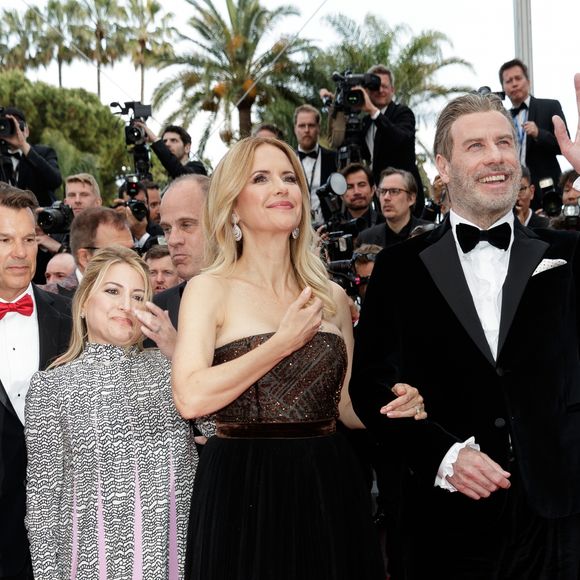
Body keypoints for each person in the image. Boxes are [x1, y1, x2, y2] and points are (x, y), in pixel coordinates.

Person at [351, 75, 580, 579]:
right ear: (444, 166)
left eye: (504, 143)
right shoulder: (399, 266)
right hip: (442, 522)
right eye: (476, 145)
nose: (496, 156)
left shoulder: (567, 255)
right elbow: (368, 384)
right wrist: (443, 455)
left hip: (556, 523)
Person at [171, 136, 426, 580]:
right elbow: (191, 398)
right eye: (261, 178)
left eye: (289, 178)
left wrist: (396, 406)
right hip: (244, 483)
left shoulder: (329, 296)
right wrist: (280, 343)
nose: (282, 188)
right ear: (232, 205)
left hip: (327, 481)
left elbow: (345, 407)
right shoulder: (209, 288)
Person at [25, 245, 196, 579]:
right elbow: (43, 506)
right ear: (85, 302)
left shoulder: (171, 369)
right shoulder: (52, 387)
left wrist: (180, 354)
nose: (125, 305)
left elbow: (223, 432)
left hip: (178, 557)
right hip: (93, 565)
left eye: (137, 296)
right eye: (113, 290)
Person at [0, 183, 71, 580]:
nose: (20, 252)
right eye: (4, 239)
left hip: (61, 517)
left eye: (28, 239)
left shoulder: (73, 317)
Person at [499, 58, 568, 206]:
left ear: (528, 81)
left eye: (518, 78)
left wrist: (539, 134)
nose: (514, 83)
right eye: (508, 81)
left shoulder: (550, 106)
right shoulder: (502, 118)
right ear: (503, 88)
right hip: (513, 191)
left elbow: (564, 147)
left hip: (547, 189)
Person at [0, 107, 62, 207]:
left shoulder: (44, 153)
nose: (15, 130)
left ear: (27, 130)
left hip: (37, 218)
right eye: (9, 125)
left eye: (18, 126)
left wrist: (24, 146)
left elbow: (55, 181)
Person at [357, 167, 429, 249]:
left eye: (394, 191)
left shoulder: (431, 233)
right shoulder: (366, 239)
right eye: (382, 191)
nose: (386, 197)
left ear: (411, 198)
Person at [293, 104, 338, 223]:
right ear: (295, 128)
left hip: (328, 229)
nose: (306, 130)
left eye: (311, 125)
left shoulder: (334, 158)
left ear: (318, 128)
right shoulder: (286, 160)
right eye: (302, 126)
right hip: (294, 229)